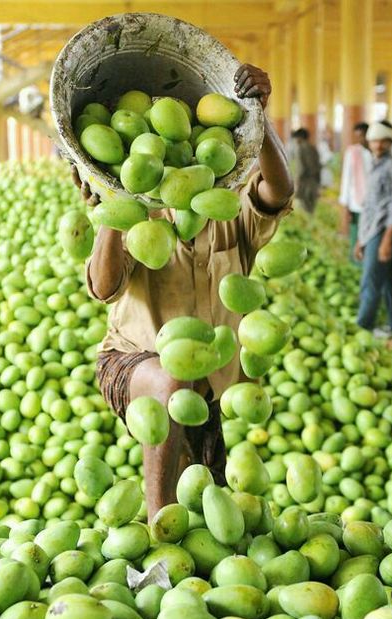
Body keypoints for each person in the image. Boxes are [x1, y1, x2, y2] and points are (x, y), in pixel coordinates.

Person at [74, 64, 294, 519]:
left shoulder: (229, 208)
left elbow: (279, 189)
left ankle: (184, 552)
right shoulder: (140, 216)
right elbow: (103, 286)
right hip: (133, 362)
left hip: (208, 385)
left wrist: (258, 118)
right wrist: (115, 200)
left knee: (207, 496)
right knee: (171, 380)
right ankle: (159, 526)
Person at [355, 121, 392, 340]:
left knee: (371, 281)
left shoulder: (391, 166)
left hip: (383, 231)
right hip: (373, 231)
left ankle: (363, 327)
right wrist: (361, 240)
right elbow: (371, 206)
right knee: (390, 279)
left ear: (390, 142)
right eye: (374, 141)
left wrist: (387, 241)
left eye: (383, 141)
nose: (378, 145)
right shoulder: (376, 163)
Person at [339, 122, 373, 262]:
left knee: (371, 235)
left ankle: (369, 261)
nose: (361, 139)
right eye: (358, 136)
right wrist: (345, 206)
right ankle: (356, 263)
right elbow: (347, 179)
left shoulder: (375, 152)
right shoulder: (352, 152)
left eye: (363, 135)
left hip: (373, 204)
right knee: (356, 234)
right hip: (356, 203)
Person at [292, 127, 321, 214]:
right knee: (311, 209)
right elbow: (318, 166)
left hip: (305, 184)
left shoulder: (300, 148)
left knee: (303, 209)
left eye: (296, 138)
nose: (295, 140)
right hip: (314, 183)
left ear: (300, 137)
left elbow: (301, 169)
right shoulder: (313, 148)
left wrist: (297, 182)